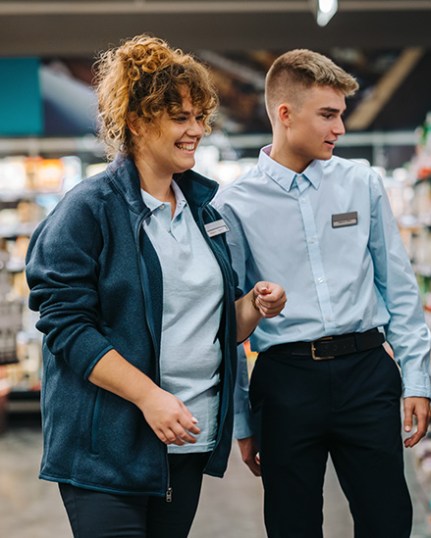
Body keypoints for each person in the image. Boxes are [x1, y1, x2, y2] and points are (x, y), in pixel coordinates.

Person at [25, 34, 286, 538]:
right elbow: (66, 327)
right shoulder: (89, 211)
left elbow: (210, 327)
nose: (196, 131)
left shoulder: (204, 214)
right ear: (138, 121)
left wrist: (252, 306)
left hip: (184, 443)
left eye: (198, 118)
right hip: (108, 450)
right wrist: (149, 397)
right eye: (180, 117)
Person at [213, 49, 431, 538]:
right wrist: (243, 420)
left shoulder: (362, 182)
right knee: (292, 526)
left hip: (367, 374)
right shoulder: (233, 204)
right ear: (285, 115)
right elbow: (230, 323)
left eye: (341, 115)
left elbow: (397, 285)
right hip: (286, 382)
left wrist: (416, 378)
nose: (341, 129)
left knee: (389, 521)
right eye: (328, 115)